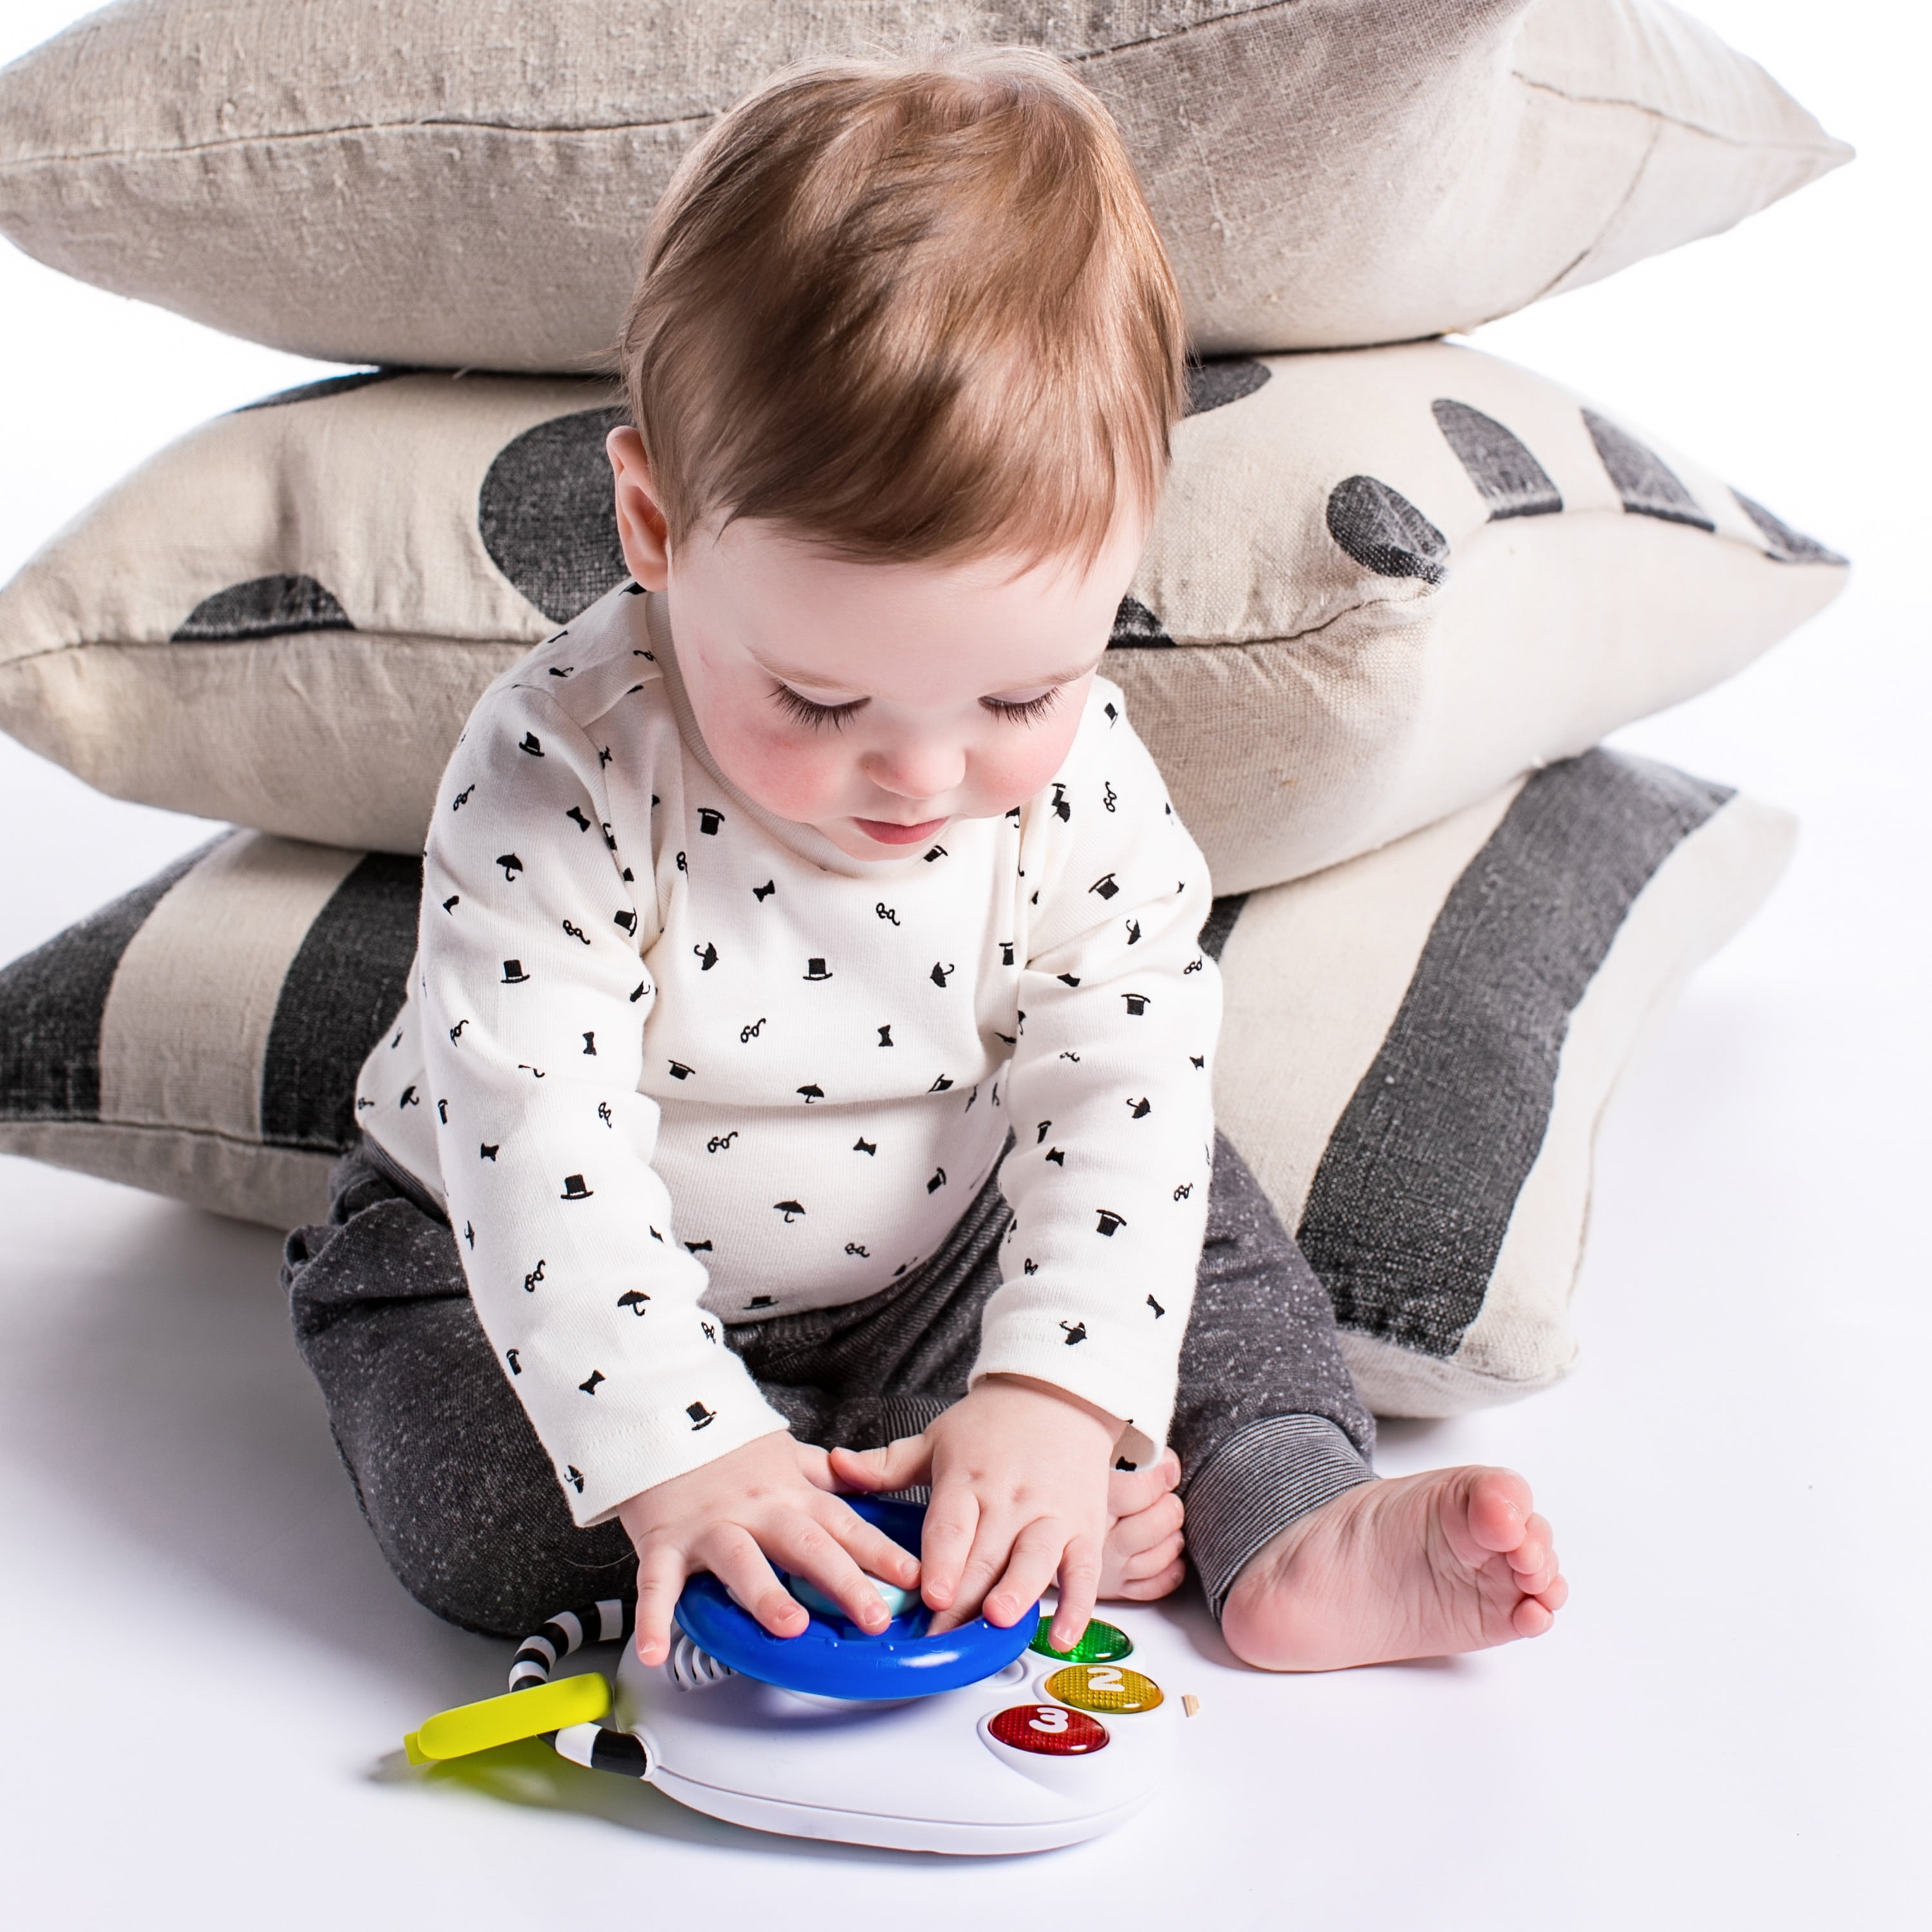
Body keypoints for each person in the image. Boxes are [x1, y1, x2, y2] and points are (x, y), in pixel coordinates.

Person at [284, 51, 1564, 1674]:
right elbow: (539, 1140)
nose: (921, 772)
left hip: (940, 1236)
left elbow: (1119, 1085)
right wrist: (680, 1443)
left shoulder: (1086, 778)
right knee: (481, 1496)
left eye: (1018, 691)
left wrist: (1050, 1388)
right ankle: (883, 1504)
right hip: (526, 1252)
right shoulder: (565, 768)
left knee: (1194, 1212)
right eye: (818, 697)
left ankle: (1284, 1515)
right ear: (656, 529)